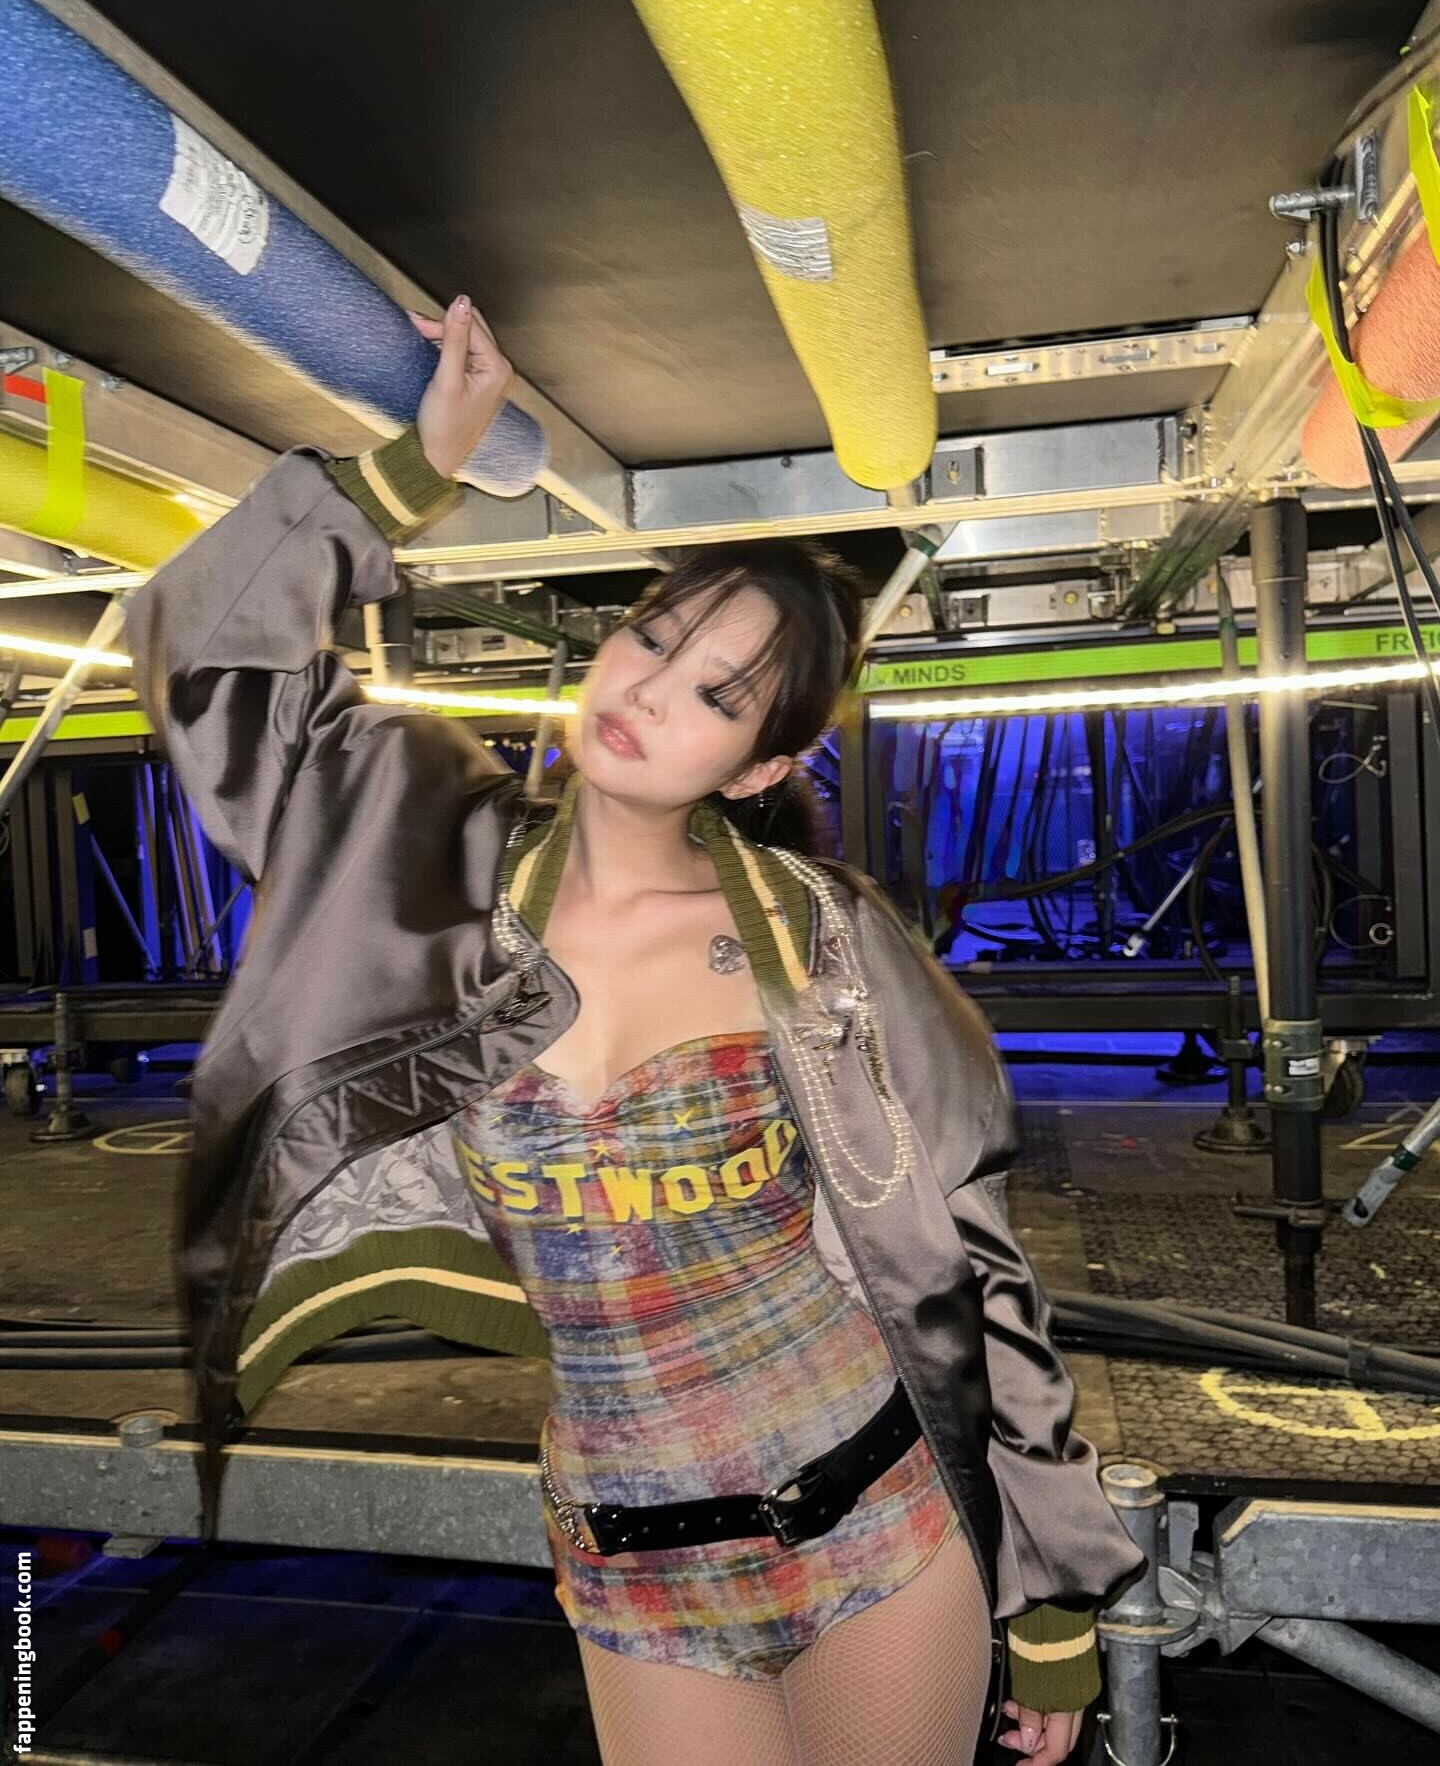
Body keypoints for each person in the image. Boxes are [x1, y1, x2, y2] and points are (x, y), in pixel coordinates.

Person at [126, 297, 1143, 1766]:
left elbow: (973, 1252)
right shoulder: (432, 880)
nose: (652, 691)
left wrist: (1050, 1595)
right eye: (653, 637)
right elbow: (205, 649)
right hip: (630, 1565)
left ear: (762, 766)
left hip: (878, 1522)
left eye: (717, 696)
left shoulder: (825, 940)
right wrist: (415, 466)